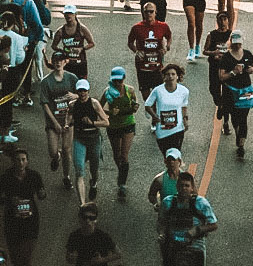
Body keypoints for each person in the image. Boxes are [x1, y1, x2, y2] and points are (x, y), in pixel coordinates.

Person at [0, 147, 46, 266]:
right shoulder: (5, 178)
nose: (20, 163)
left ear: (27, 161)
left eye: (23, 160)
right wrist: (9, 200)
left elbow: (41, 193)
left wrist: (42, 194)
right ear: (13, 161)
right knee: (16, 259)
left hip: (30, 221)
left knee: (26, 258)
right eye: (17, 160)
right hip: (12, 221)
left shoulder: (34, 176)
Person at [158, 171, 218, 266]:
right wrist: (162, 233)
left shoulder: (201, 203)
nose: (184, 188)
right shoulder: (168, 202)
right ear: (177, 186)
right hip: (173, 246)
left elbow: (214, 225)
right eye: (181, 185)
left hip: (195, 247)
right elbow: (161, 222)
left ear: (192, 188)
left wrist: (198, 229)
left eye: (187, 185)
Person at [39, 51, 78, 191]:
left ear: (65, 61)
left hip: (69, 120)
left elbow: (82, 94)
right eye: (55, 60)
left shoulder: (72, 78)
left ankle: (66, 177)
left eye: (60, 60)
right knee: (52, 151)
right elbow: (44, 104)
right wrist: (55, 123)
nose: (57, 62)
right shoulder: (46, 81)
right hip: (53, 121)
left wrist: (75, 95)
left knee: (67, 150)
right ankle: (56, 158)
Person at [100, 66, 139, 201]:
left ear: (124, 79)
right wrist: (110, 113)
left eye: (119, 81)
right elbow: (98, 108)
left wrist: (134, 107)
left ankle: (122, 183)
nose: (117, 84)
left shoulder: (130, 90)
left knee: (124, 155)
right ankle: (121, 172)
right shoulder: (107, 92)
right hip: (114, 126)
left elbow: (135, 103)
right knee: (116, 155)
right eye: (114, 81)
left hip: (128, 123)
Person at [71, 79, 110, 205]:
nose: (82, 93)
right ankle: (82, 204)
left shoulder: (94, 103)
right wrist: (67, 124)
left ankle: (93, 183)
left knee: (94, 169)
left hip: (93, 138)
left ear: (88, 91)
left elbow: (106, 122)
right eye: (80, 91)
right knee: (79, 171)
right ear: (77, 92)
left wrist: (92, 123)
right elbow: (68, 115)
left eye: (84, 91)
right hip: (79, 138)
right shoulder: (72, 104)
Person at [218, 30, 253, 157]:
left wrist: (250, 69)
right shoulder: (226, 57)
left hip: (245, 89)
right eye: (235, 43)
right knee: (235, 117)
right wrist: (233, 72)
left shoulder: (248, 54)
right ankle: (237, 131)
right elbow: (221, 77)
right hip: (231, 90)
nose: (237, 45)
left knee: (243, 117)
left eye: (239, 43)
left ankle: (241, 145)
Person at [127, 2, 172, 100]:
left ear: (156, 12)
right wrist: (137, 51)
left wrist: (166, 47)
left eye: (151, 11)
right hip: (142, 65)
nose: (149, 14)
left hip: (157, 65)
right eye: (146, 12)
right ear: (143, 13)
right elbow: (130, 42)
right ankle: (149, 108)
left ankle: (155, 112)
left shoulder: (163, 26)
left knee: (159, 93)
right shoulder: (137, 27)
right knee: (146, 95)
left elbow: (169, 36)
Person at [145, 63, 190, 156]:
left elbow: (184, 106)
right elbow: (147, 105)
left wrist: (185, 120)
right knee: (167, 156)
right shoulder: (158, 90)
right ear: (164, 76)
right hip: (162, 129)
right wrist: (154, 117)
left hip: (177, 128)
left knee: (176, 156)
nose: (170, 76)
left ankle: (176, 170)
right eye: (168, 74)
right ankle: (171, 170)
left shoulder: (184, 91)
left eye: (173, 74)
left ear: (178, 76)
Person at [52, 4, 96, 83]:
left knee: (81, 86)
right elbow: (54, 46)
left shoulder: (82, 29)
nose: (69, 16)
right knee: (67, 85)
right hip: (67, 64)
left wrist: (81, 49)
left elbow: (92, 43)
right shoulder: (61, 31)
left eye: (71, 13)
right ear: (64, 15)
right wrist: (63, 51)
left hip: (80, 63)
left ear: (75, 14)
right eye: (66, 13)